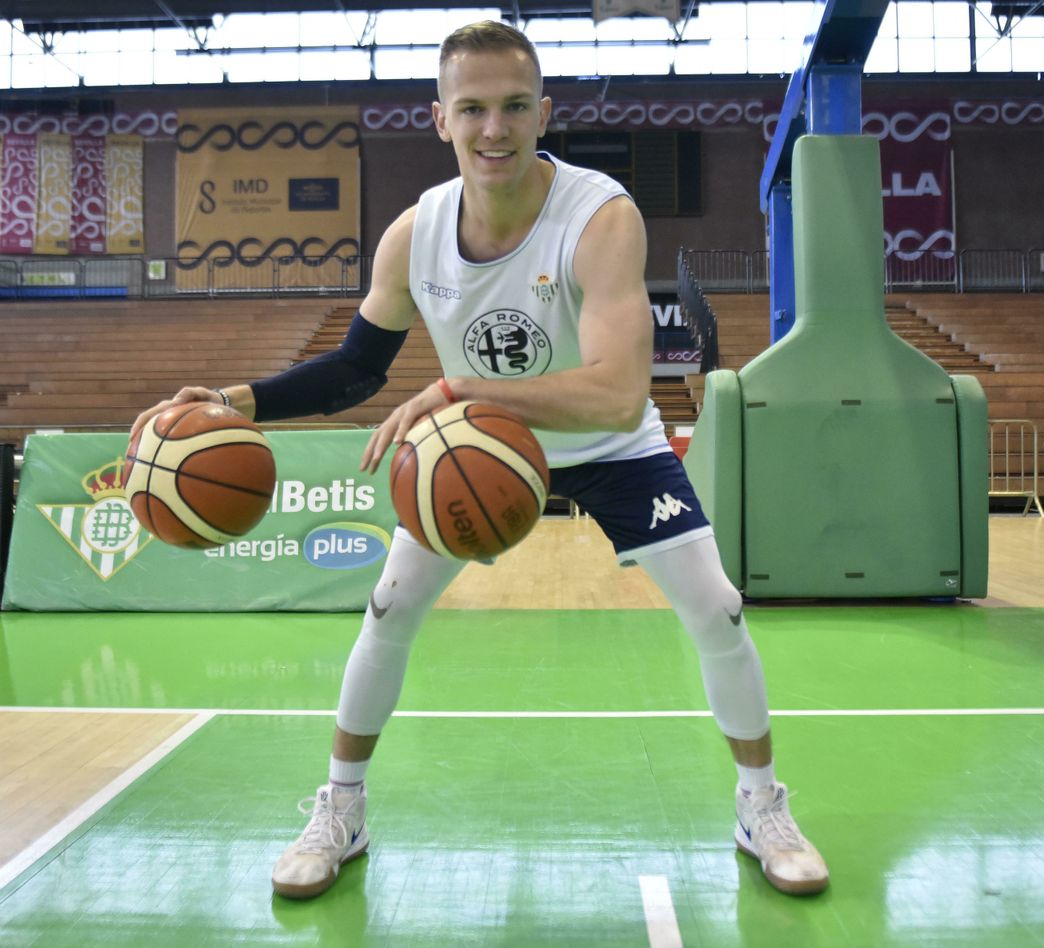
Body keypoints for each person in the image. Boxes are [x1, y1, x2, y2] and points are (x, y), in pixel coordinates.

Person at [131, 19, 828, 900]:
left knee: (719, 611)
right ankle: (340, 806)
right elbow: (354, 371)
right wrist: (235, 401)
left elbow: (617, 392)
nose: (493, 129)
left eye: (512, 108)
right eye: (472, 110)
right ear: (440, 119)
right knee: (388, 612)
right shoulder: (411, 236)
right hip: (473, 450)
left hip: (605, 444)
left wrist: (466, 389)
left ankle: (761, 804)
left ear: (544, 113)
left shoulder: (600, 215)